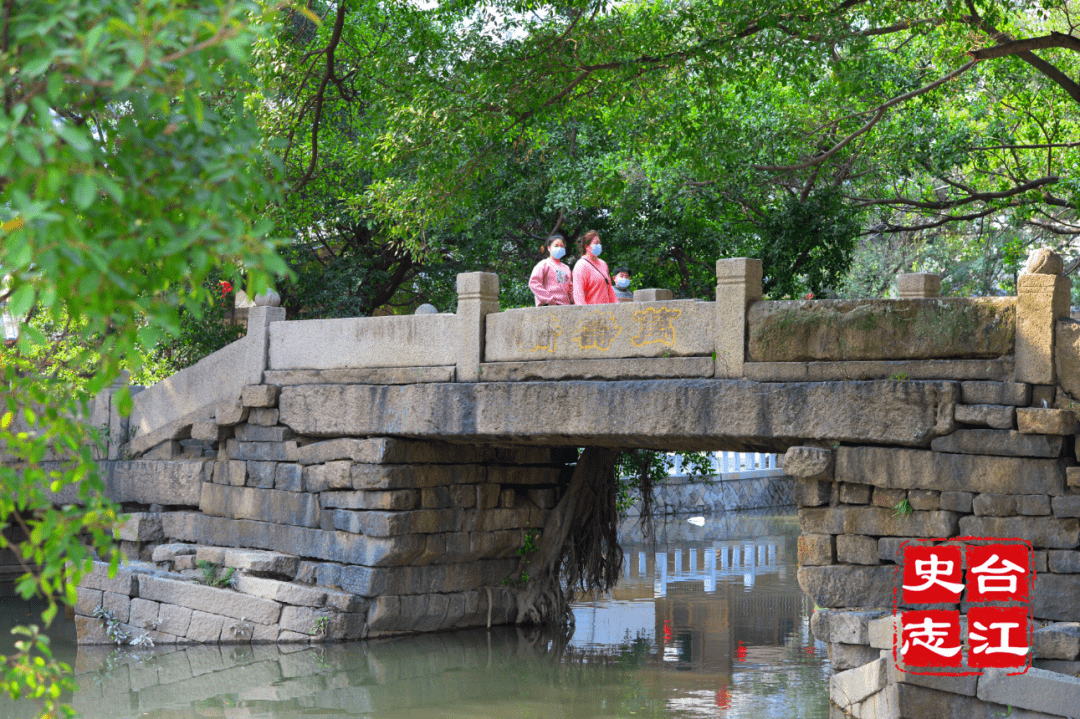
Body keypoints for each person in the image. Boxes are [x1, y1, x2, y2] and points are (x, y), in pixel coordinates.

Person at [572, 230, 618, 305]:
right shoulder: (581, 265)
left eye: (599, 243)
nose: (598, 245)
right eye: (596, 243)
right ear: (587, 246)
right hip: (591, 313)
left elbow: (610, 290)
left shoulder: (603, 264)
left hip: (606, 312)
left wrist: (617, 307)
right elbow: (578, 296)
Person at [528, 234, 574, 306]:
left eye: (562, 246)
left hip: (565, 307)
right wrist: (549, 299)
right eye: (556, 246)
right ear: (549, 248)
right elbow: (533, 283)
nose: (559, 248)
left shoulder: (566, 268)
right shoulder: (544, 264)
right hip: (547, 306)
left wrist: (578, 300)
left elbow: (570, 289)